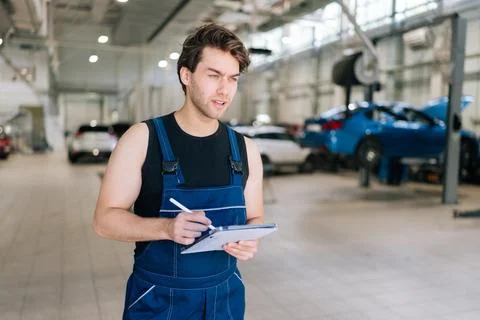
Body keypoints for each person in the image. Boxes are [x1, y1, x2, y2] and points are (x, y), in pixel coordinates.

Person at [93, 24, 264, 320]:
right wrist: (165, 229)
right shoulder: (143, 139)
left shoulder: (245, 149)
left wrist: (251, 239)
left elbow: (255, 217)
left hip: (225, 298)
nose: (224, 90)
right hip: (159, 300)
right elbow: (104, 220)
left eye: (232, 79)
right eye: (214, 76)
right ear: (186, 75)